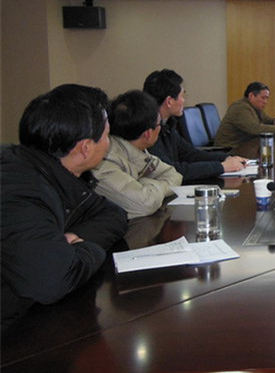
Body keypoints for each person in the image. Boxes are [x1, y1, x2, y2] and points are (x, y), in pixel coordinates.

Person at [1, 85, 127, 330]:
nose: (108, 144)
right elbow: (52, 281)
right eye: (107, 136)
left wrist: (67, 245)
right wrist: (83, 249)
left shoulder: (53, 173)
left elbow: (113, 214)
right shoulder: (21, 192)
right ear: (85, 148)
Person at [143, 69, 247, 182]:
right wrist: (221, 167)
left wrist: (226, 158)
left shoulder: (167, 126)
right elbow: (171, 171)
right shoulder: (147, 132)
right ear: (169, 101)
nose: (184, 100)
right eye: (182, 96)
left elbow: (192, 155)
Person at [92, 90, 183, 219]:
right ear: (148, 133)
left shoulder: (137, 151)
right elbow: (146, 203)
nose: (161, 128)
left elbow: (174, 175)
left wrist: (143, 184)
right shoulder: (104, 160)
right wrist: (150, 185)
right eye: (160, 124)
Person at [214, 82, 275, 150]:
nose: (265, 102)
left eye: (267, 98)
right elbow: (254, 128)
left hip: (243, 147)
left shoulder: (254, 108)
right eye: (263, 98)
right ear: (251, 95)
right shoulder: (240, 108)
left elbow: (267, 120)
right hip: (229, 150)